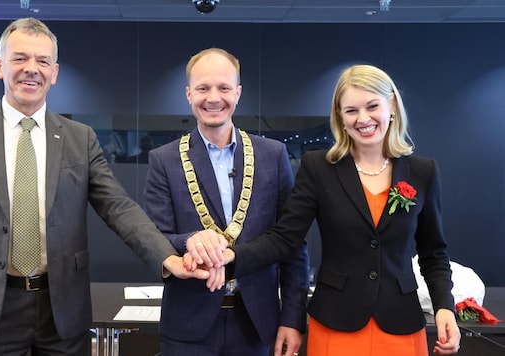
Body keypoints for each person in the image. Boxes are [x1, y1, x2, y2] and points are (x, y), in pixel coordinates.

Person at [0, 17, 218, 356]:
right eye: (20, 58)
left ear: (55, 72)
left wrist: (168, 258)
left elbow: (118, 207)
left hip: (62, 312)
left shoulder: (79, 138)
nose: (31, 69)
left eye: (43, 61)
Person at [198, 64, 461, 355]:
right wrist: (230, 258)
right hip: (336, 323)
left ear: (393, 106)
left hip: (400, 324)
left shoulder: (423, 172)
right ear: (340, 117)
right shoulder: (319, 168)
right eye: (351, 110)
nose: (363, 119)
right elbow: (285, 238)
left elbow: (433, 253)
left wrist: (444, 308)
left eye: (372, 106)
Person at [143, 47, 310, 356]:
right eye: (203, 88)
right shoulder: (163, 160)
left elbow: (292, 244)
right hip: (187, 328)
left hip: (258, 325)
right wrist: (193, 240)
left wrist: (292, 318)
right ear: (188, 93)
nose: (213, 98)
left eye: (224, 87)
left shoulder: (272, 155)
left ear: (238, 93)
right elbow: (154, 238)